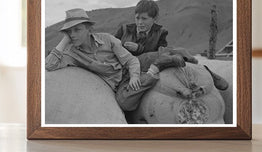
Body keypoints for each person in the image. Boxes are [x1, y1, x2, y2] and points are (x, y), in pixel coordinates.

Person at [45, 8, 185, 113]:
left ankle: (179, 56)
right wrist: (64, 41)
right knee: (124, 103)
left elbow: (131, 60)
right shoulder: (72, 54)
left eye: (77, 30)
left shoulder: (107, 39)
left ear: (89, 29)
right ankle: (156, 67)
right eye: (69, 31)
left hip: (132, 65)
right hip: (119, 83)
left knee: (155, 55)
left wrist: (134, 76)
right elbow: (49, 65)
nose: (72, 35)